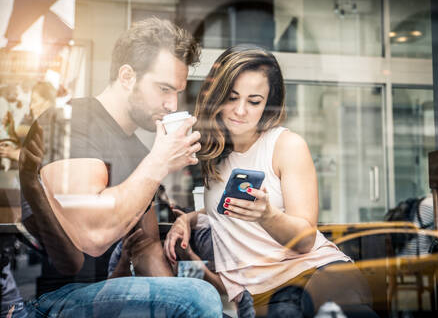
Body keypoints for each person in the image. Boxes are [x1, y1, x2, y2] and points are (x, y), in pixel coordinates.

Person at [19, 18, 222, 317]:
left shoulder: (140, 151)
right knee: (198, 297)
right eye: (164, 89)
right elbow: (92, 236)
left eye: (177, 92)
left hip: (105, 293)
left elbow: (146, 249)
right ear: (127, 76)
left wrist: (178, 299)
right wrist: (160, 161)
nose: (172, 104)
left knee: (202, 301)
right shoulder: (69, 120)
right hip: (47, 299)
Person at [164, 45, 377, 317]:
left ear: (267, 103)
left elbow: (304, 240)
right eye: (231, 97)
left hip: (313, 275)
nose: (240, 110)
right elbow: (223, 209)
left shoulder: (286, 145)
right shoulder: (213, 152)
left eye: (254, 101)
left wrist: (266, 216)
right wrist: (187, 220)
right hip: (263, 296)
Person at [0, 81, 57, 164]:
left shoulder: (54, 127)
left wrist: (15, 154)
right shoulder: (37, 123)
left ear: (47, 103)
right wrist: (9, 126)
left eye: (35, 101)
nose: (31, 106)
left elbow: (46, 161)